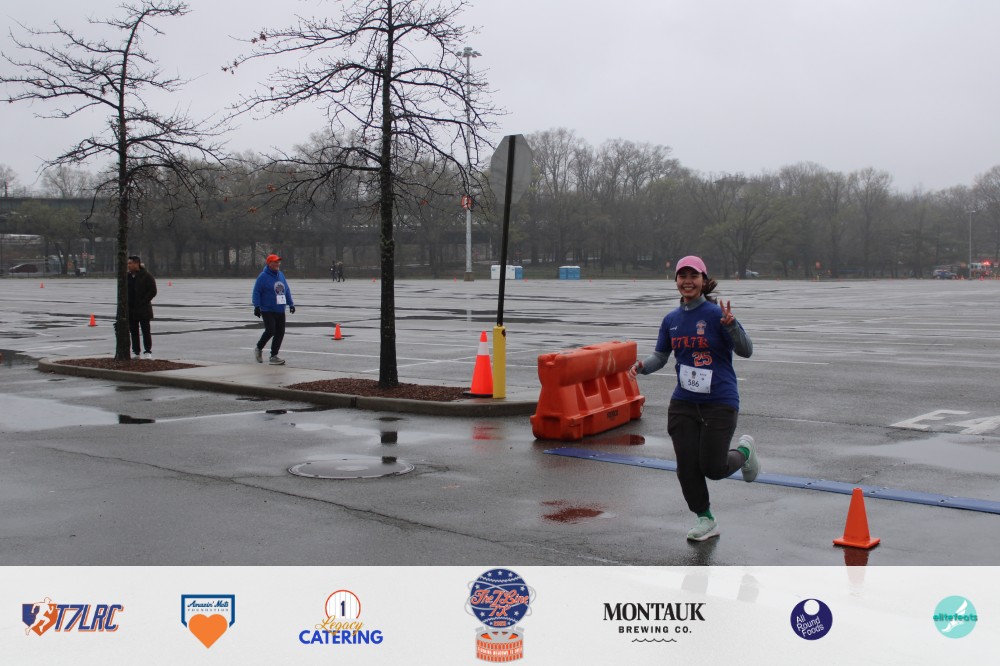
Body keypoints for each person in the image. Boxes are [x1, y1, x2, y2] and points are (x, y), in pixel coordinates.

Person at [629, 255, 760, 542]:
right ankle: (705, 518)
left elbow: (747, 350)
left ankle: (745, 452)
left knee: (713, 468)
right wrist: (642, 366)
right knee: (687, 466)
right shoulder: (671, 320)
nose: (687, 281)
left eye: (693, 276)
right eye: (682, 276)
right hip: (684, 403)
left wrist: (732, 326)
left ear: (703, 280)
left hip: (720, 401)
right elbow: (661, 356)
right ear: (676, 280)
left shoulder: (717, 315)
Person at [252, 254, 295, 365]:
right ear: (269, 263)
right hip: (267, 309)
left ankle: (274, 356)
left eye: (278, 262)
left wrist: (291, 304)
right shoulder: (263, 276)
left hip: (280, 309)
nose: (277, 264)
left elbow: (286, 290)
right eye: (275, 262)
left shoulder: (281, 275)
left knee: (280, 332)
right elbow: (256, 291)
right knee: (271, 330)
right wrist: (256, 306)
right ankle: (259, 348)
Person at [126, 255, 157, 359]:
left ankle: (147, 351)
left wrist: (143, 301)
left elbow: (153, 291)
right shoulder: (127, 276)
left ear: (136, 264)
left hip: (143, 309)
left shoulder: (146, 275)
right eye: (128, 263)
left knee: (145, 331)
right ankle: (136, 352)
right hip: (131, 309)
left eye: (130, 263)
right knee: (133, 331)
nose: (128, 265)